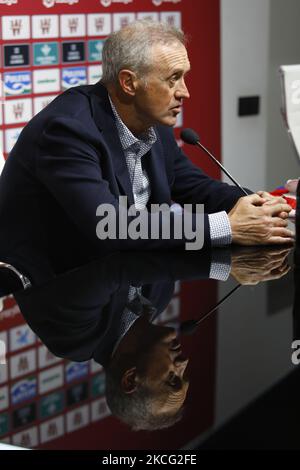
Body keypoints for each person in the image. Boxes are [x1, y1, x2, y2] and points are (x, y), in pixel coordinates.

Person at [0, 20, 294, 270]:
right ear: (129, 83)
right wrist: (227, 227)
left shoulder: (150, 118)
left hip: (130, 273)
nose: (185, 93)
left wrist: (259, 204)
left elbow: (192, 186)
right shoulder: (68, 130)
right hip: (64, 287)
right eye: (173, 79)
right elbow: (108, 225)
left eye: (185, 77)